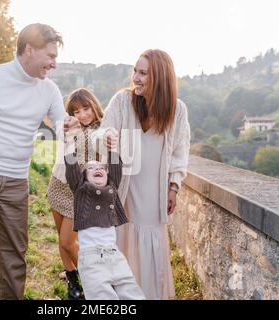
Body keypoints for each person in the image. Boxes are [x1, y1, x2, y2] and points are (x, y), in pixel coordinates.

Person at [0, 23, 78, 300]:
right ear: (29, 49)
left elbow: (59, 121)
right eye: (51, 56)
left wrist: (68, 125)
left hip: (17, 181)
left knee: (14, 254)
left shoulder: (49, 90)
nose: (54, 64)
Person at [98, 49, 191, 299]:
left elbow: (180, 151)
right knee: (122, 241)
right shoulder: (122, 101)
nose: (135, 78)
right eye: (135, 71)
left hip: (154, 191)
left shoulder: (177, 110)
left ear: (159, 77)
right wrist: (107, 137)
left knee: (150, 243)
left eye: (143, 73)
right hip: (124, 187)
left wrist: (174, 186)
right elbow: (103, 131)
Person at [63, 127, 145, 300]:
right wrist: (70, 142)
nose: (98, 168)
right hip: (91, 258)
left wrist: (112, 147)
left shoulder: (112, 187)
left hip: (115, 255)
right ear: (84, 177)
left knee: (133, 295)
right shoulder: (80, 190)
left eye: (101, 167)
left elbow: (115, 167)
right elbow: (71, 167)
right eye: (91, 168)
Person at [46, 88, 104, 299]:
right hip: (57, 184)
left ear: (94, 106)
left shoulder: (101, 131)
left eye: (86, 108)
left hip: (78, 194)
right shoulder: (70, 127)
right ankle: (72, 278)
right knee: (61, 238)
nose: (82, 115)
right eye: (76, 111)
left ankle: (94, 281)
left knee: (67, 242)